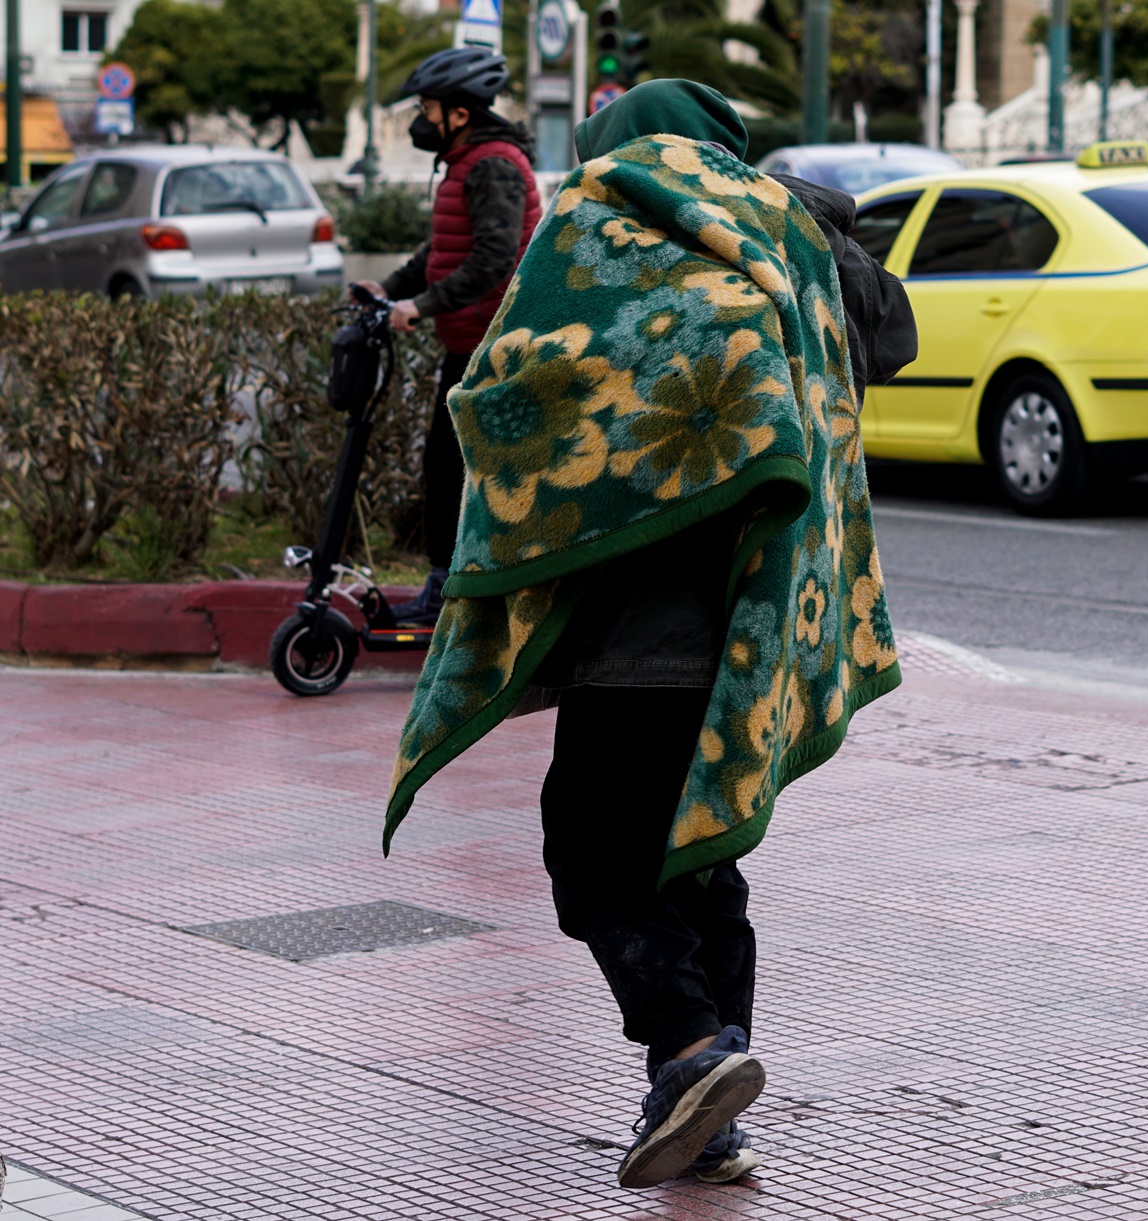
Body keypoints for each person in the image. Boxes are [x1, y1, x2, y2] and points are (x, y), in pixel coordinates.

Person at [381, 79, 912, 1190]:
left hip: (632, 629)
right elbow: (890, 336)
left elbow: (502, 396)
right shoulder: (786, 240)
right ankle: (708, 1124)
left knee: (591, 855)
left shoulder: (597, 241)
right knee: (703, 860)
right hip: (760, 622)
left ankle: (690, 1050)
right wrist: (812, 215)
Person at [350, 47, 542, 624]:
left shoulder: (493, 166)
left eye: (427, 107)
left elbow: (492, 260)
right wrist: (388, 290)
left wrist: (421, 306)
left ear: (458, 113)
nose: (419, 119)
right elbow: (444, 250)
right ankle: (451, 588)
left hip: (494, 345)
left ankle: (451, 594)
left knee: (453, 467)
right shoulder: (469, 160)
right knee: (449, 466)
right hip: (469, 342)